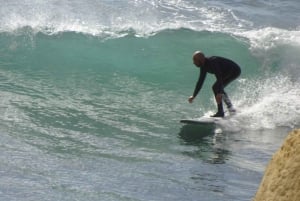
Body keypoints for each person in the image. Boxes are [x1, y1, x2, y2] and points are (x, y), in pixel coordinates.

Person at [188, 51, 241, 117]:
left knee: (216, 87)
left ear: (200, 60)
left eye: (195, 60)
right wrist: (194, 95)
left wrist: (219, 93)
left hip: (234, 70)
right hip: (226, 73)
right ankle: (230, 108)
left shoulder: (213, 62)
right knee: (216, 88)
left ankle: (221, 112)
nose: (193, 63)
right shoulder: (203, 65)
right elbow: (200, 81)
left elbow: (219, 77)